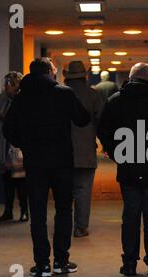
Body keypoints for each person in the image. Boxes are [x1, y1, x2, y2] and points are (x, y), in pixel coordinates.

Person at [3, 59, 91, 277]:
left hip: (35, 164)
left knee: (39, 213)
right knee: (63, 209)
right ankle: (62, 261)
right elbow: (82, 119)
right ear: (51, 72)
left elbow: (8, 129)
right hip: (62, 162)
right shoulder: (64, 93)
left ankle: (42, 264)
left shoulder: (22, 98)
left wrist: (25, 143)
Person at [97, 63, 148, 276]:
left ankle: (130, 263)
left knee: (131, 215)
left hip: (128, 166)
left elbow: (103, 130)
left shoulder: (115, 101)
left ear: (131, 78)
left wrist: (116, 152)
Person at [63, 61, 104, 238]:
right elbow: (102, 121)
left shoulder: (60, 95)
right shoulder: (93, 95)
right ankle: (80, 227)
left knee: (64, 191)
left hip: (62, 151)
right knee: (83, 190)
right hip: (86, 150)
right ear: (84, 76)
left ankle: (63, 225)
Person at [0, 72, 29, 222]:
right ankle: (8, 210)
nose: (5, 87)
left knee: (20, 179)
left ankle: (24, 210)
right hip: (5, 144)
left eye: (8, 84)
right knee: (7, 178)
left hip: (17, 145)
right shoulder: (3, 100)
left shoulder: (23, 101)